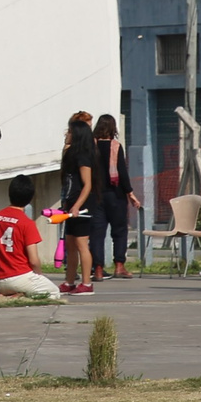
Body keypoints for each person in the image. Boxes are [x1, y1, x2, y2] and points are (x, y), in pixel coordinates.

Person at [0, 175, 61, 299]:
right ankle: (20, 295)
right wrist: (39, 275)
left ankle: (13, 294)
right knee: (54, 292)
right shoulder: (27, 223)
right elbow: (34, 260)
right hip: (19, 276)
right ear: (30, 197)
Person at [92, 113, 139, 278]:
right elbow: (122, 173)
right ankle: (119, 266)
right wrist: (131, 194)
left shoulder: (92, 146)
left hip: (96, 195)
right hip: (116, 195)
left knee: (97, 233)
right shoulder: (116, 146)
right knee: (119, 231)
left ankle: (97, 269)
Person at [57, 112, 97, 294]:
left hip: (82, 206)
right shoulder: (70, 154)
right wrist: (66, 203)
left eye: (70, 131)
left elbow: (87, 185)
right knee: (70, 245)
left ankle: (87, 283)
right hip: (71, 203)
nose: (67, 134)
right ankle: (70, 281)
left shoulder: (84, 156)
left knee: (82, 245)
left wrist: (76, 206)